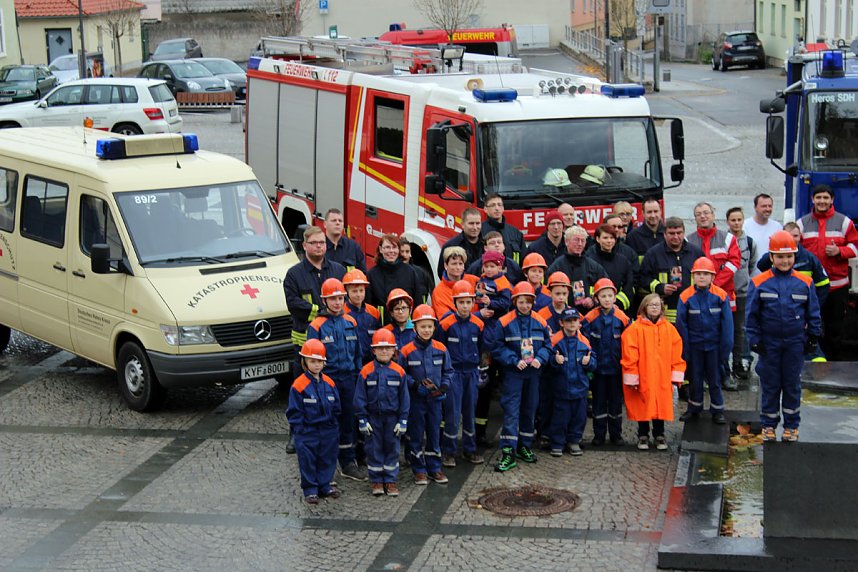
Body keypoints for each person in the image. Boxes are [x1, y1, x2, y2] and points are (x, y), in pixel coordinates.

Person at [746, 230, 822, 442]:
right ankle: (768, 426)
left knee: (792, 385)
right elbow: (751, 316)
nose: (785, 260)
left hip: (795, 344)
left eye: (789, 256)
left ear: (794, 256)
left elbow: (813, 312)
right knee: (770, 386)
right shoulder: (759, 282)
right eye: (780, 256)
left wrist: (813, 337)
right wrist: (754, 341)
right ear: (771, 257)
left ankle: (791, 426)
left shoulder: (805, 283)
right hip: (769, 344)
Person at [283, 226, 346, 454]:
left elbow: (344, 301)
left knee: (331, 389)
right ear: (305, 245)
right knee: (302, 389)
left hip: (334, 343)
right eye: (314, 243)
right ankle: (295, 433)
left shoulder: (338, 270)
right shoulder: (294, 274)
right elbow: (294, 304)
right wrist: (320, 312)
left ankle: (331, 431)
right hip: (305, 345)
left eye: (322, 242)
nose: (319, 246)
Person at [307, 278, 366, 481]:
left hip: (349, 379)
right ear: (324, 301)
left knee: (348, 422)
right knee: (327, 423)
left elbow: (357, 353)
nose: (337, 303)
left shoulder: (351, 322)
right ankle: (325, 465)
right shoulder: (317, 326)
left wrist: (358, 377)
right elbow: (311, 357)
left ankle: (348, 463)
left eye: (340, 298)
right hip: (327, 382)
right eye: (333, 299)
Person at [492, 282, 552, 472]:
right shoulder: (504, 322)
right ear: (514, 301)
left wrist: (541, 358)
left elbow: (548, 345)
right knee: (511, 412)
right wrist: (513, 360)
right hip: (513, 374)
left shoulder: (541, 321)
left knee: (529, 410)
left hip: (533, 374)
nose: (525, 305)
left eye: (528, 302)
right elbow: (497, 347)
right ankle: (508, 451)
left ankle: (524, 446)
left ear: (533, 302)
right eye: (521, 301)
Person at [796, 184, 858, 361]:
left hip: (837, 288)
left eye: (825, 198)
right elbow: (795, 250)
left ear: (832, 200)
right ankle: (812, 363)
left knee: (834, 329)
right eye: (818, 197)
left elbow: (855, 247)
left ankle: (833, 364)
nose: (822, 201)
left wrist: (840, 251)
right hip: (811, 289)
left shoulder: (844, 222)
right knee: (810, 327)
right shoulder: (802, 224)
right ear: (812, 199)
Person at [621, 294, 686, 451]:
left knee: (660, 405)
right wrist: (632, 376)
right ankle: (643, 435)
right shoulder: (634, 329)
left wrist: (675, 374)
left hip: (662, 376)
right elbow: (629, 355)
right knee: (642, 404)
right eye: (651, 304)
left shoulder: (669, 329)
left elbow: (676, 353)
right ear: (644, 307)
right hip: (643, 375)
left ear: (662, 307)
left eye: (657, 304)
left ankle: (659, 434)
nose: (655, 307)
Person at [399, 305, 454, 484]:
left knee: (434, 434)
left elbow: (449, 371)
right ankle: (419, 470)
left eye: (430, 326)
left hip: (435, 401)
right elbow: (401, 374)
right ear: (415, 327)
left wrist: (444, 387)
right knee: (415, 435)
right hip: (416, 401)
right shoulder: (406, 351)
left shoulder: (441, 349)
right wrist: (415, 385)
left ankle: (434, 468)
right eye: (423, 326)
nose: (427, 330)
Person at [676, 257, 733, 424]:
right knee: (695, 379)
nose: (702, 277)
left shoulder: (721, 296)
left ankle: (718, 410)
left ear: (713, 277)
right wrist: (685, 351)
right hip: (695, 347)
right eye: (698, 274)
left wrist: (725, 350)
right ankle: (694, 408)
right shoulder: (685, 297)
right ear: (693, 276)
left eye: (706, 274)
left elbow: (727, 326)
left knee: (715, 379)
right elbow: (681, 326)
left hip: (714, 347)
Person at [354, 329, 410, 496]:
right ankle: (377, 481)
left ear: (394, 350)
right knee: (374, 449)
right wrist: (362, 419)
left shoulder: (399, 372)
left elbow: (404, 398)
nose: (384, 351)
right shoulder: (366, 371)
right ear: (373, 350)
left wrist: (403, 420)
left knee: (393, 449)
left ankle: (391, 481)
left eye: (387, 348)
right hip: (373, 419)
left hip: (392, 418)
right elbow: (359, 397)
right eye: (380, 348)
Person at [286, 339, 341, 504]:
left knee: (327, 458)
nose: (316, 365)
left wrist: (333, 425)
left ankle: (324, 485)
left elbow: (337, 407)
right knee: (308, 460)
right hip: (307, 431)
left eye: (319, 361)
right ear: (305, 362)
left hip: (328, 429)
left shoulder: (330, 383)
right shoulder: (299, 385)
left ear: (324, 362)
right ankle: (310, 489)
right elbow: (294, 411)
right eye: (312, 361)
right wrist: (300, 430)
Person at [437, 280, 485, 466]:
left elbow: (481, 348)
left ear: (473, 302)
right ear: (454, 302)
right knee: (452, 413)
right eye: (461, 302)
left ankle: (470, 449)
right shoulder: (446, 325)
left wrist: (480, 368)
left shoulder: (478, 324)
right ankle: (449, 452)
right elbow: (440, 349)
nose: (465, 306)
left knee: (470, 412)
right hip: (453, 374)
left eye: (468, 302)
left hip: (471, 373)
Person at [582, 278, 631, 446]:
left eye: (610, 296)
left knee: (616, 403)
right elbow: (584, 342)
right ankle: (599, 435)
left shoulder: (622, 318)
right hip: (598, 370)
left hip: (616, 369)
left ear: (615, 297)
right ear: (596, 298)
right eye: (603, 296)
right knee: (598, 403)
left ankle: (616, 435)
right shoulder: (590, 318)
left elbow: (629, 342)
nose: (607, 299)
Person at [548, 307, 596, 456]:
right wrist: (554, 360)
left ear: (579, 323)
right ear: (561, 323)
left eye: (575, 320)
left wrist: (589, 363)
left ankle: (574, 441)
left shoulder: (584, 342)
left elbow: (593, 362)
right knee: (560, 418)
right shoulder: (555, 341)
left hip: (580, 388)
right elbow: (547, 363)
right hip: (561, 389)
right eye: (568, 321)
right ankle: (557, 443)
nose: (572, 324)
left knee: (579, 418)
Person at [639, 217, 704, 323]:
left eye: (679, 233)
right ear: (664, 234)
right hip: (665, 315)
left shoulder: (696, 253)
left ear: (684, 232)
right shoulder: (653, 254)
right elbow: (643, 278)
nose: (676, 236)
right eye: (671, 233)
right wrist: (660, 287)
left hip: (694, 310)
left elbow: (706, 278)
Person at [757, 222, 829, 309]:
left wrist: (813, 306)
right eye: (789, 235)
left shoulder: (809, 258)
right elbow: (761, 267)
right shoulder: (772, 256)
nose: (792, 239)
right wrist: (775, 249)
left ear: (800, 236)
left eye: (795, 236)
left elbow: (823, 285)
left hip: (801, 307)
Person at [536, 271, 571, 445]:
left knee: (563, 402)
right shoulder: (542, 314)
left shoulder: (572, 314)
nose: (561, 297)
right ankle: (544, 433)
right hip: (547, 365)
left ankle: (562, 434)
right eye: (557, 293)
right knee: (546, 400)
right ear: (550, 293)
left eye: (564, 293)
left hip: (566, 366)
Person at [687, 202, 741, 309]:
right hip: (697, 296)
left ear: (713, 215)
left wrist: (714, 284)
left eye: (706, 213)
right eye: (698, 214)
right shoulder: (688, 241)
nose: (702, 216)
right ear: (695, 218)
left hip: (723, 294)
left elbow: (734, 264)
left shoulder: (728, 239)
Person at [725, 207, 757, 381]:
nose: (736, 223)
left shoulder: (750, 242)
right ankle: (724, 364)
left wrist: (743, 280)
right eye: (733, 220)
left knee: (741, 329)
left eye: (739, 219)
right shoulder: (724, 240)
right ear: (727, 222)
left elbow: (751, 265)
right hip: (726, 293)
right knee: (725, 329)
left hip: (743, 293)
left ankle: (740, 361)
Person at [546, 226, 608, 311]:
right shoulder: (556, 267)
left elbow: (606, 288)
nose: (580, 244)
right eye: (576, 240)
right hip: (563, 314)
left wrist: (593, 300)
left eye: (583, 241)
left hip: (589, 315)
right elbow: (547, 293)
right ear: (566, 241)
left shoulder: (594, 267)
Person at [367, 234, 426, 316]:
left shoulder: (410, 272)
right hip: (381, 323)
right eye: (387, 247)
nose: (391, 251)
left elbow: (418, 303)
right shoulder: (372, 275)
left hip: (406, 323)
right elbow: (368, 307)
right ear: (380, 249)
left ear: (398, 250)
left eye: (394, 247)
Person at [585, 224, 635, 312]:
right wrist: (599, 302)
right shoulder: (590, 260)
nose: (609, 241)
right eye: (605, 238)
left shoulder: (623, 261)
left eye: (612, 238)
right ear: (597, 239)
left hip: (619, 310)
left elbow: (629, 286)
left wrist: (617, 303)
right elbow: (589, 286)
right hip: (596, 311)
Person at [343, 269, 381, 366]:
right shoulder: (342, 313)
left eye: (361, 290)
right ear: (347, 291)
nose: (358, 295)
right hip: (350, 364)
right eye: (354, 291)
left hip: (371, 363)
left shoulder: (374, 312)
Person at [431, 246, 478, 319]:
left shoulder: (474, 281)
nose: (458, 267)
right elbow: (446, 320)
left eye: (460, 264)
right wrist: (479, 315)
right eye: (454, 264)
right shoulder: (438, 292)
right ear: (446, 265)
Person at [436, 207, 484, 279]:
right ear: (462, 224)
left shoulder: (487, 245)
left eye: (478, 223)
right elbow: (442, 273)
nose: (475, 227)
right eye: (471, 223)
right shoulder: (451, 246)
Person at [481, 193, 526, 264]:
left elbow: (523, 258)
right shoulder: (480, 231)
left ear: (503, 208)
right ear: (485, 209)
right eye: (493, 205)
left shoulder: (515, 232)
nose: (497, 208)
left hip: (512, 270)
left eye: (499, 205)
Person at [742, 193, 782, 268]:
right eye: (764, 206)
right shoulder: (745, 226)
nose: (768, 209)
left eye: (770, 206)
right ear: (755, 207)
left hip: (771, 273)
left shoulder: (777, 227)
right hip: (751, 273)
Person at [324, 208, 367, 272]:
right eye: (334, 220)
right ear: (325, 224)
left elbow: (362, 273)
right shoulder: (319, 246)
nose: (337, 223)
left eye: (340, 221)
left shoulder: (353, 247)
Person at [626, 199, 665, 264]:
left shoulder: (669, 234)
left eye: (656, 211)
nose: (653, 215)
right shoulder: (633, 237)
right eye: (649, 212)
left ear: (660, 211)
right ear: (643, 213)